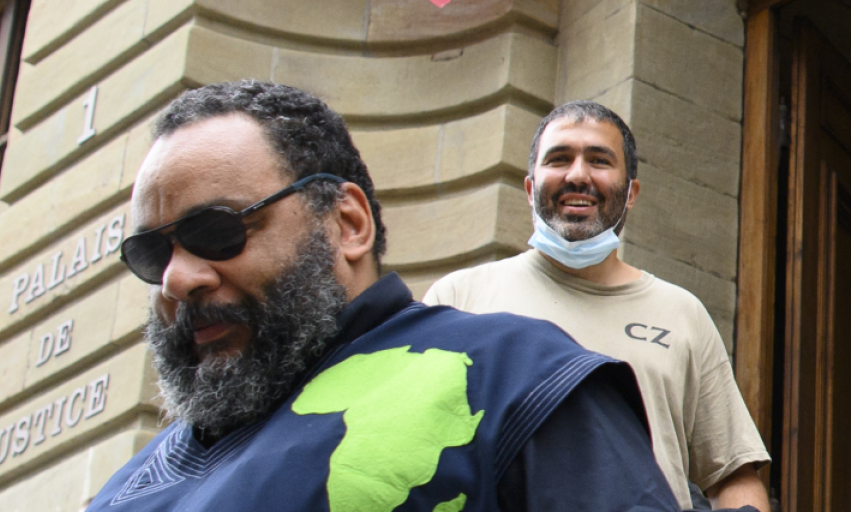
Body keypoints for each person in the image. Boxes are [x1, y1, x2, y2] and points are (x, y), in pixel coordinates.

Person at [85, 81, 752, 512]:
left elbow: (731, 472)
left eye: (216, 231)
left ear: (347, 223)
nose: (176, 279)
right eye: (152, 254)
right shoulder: (120, 493)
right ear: (530, 187)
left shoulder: (510, 373)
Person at [424, 101, 771, 512]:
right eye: (559, 158)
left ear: (631, 193)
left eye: (599, 160)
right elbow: (413, 451)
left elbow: (732, 474)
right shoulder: (458, 300)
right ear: (530, 188)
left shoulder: (681, 313)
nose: (577, 175)